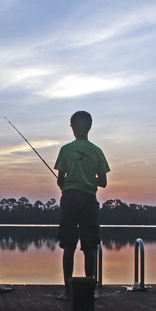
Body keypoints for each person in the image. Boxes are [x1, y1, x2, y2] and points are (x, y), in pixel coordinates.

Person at [54, 111, 110, 300]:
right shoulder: (97, 151)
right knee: (90, 246)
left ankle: (68, 292)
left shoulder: (65, 150)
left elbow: (60, 180)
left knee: (68, 246)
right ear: (90, 127)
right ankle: (89, 292)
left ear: (72, 128)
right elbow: (103, 182)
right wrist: (88, 178)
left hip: (70, 199)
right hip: (88, 200)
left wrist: (69, 182)